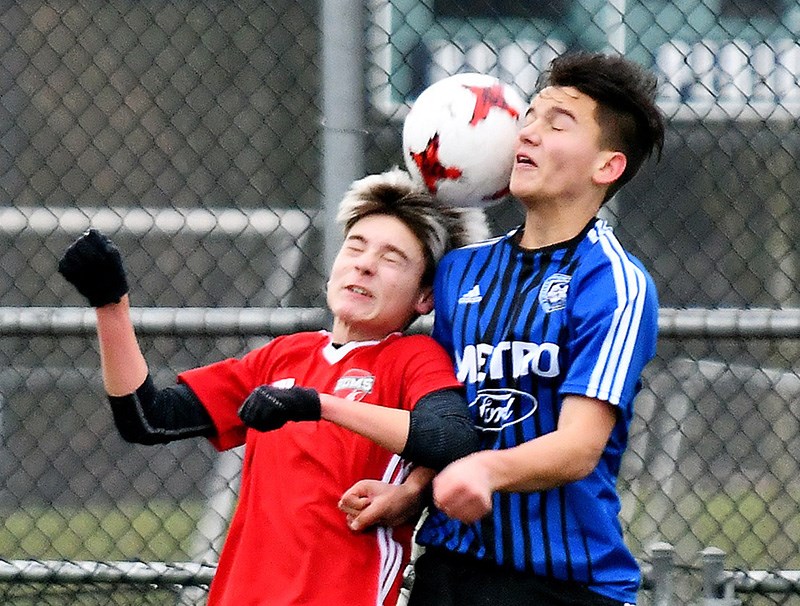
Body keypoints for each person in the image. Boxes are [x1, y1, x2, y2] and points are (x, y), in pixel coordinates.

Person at [57, 167, 487, 606]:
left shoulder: (412, 358)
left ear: (425, 297)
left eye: (392, 258)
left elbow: (451, 438)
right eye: (355, 246)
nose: (365, 263)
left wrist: (318, 404)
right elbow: (147, 418)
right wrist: (112, 306)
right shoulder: (283, 356)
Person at [341, 52, 666, 606]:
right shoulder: (462, 272)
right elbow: (446, 413)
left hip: (562, 583)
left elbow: (578, 447)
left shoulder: (613, 284)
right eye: (531, 116)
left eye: (556, 123)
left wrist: (486, 470)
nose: (528, 132)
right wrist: (413, 490)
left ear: (607, 166)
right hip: (451, 565)